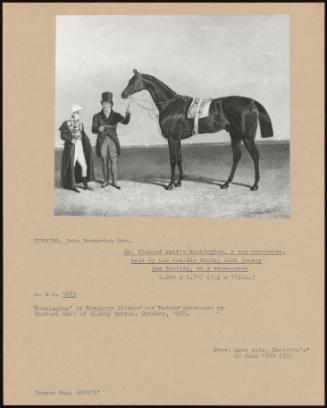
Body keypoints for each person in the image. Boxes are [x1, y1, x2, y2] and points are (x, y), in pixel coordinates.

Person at [92, 92, 131, 189]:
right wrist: (98, 129)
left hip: (113, 140)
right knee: (104, 161)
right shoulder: (97, 116)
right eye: (104, 103)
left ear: (111, 104)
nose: (105, 105)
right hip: (102, 141)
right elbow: (93, 129)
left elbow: (125, 121)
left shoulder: (116, 115)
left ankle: (115, 181)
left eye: (107, 104)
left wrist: (128, 114)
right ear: (102, 104)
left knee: (113, 161)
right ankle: (106, 181)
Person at [59, 105, 95, 193]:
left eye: (78, 113)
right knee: (72, 165)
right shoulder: (67, 123)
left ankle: (85, 183)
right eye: (75, 113)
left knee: (84, 165)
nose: (77, 114)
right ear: (72, 114)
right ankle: (72, 185)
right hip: (72, 147)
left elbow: (83, 135)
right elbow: (62, 135)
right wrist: (71, 139)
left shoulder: (80, 124)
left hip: (80, 146)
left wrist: (87, 141)